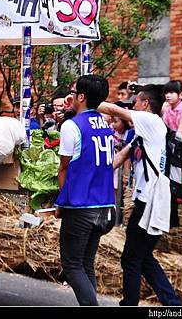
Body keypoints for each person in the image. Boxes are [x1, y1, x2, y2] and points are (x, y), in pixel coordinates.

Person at [97, 84, 182, 306]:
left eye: (135, 102)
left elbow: (115, 111)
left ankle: (130, 303)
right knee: (142, 257)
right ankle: (172, 303)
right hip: (151, 200)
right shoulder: (144, 133)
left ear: (145, 104)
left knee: (132, 258)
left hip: (152, 201)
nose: (132, 106)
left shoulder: (151, 121)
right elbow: (121, 157)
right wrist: (98, 174)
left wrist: (87, 100)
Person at [55, 75, 115, 306]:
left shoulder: (72, 126)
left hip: (81, 206)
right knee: (85, 263)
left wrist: (62, 202)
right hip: (105, 205)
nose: (70, 95)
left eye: (73, 91)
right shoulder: (105, 125)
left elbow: (64, 167)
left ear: (81, 96)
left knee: (71, 265)